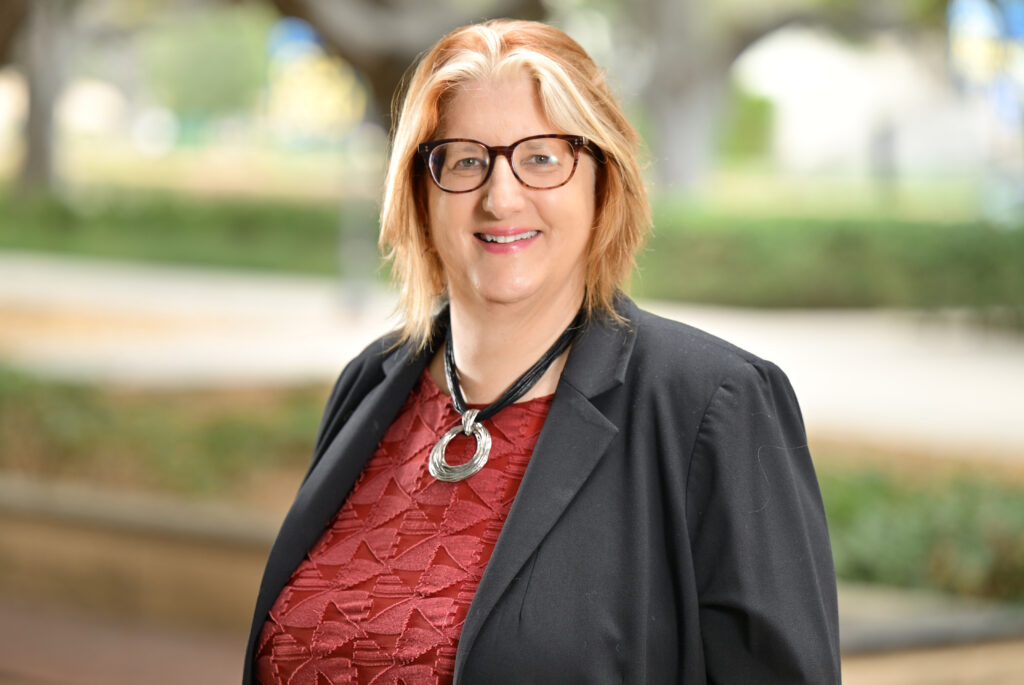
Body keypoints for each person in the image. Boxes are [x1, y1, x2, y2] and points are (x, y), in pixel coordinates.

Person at [244, 18, 840, 685]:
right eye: (466, 160)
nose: (500, 197)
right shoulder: (371, 384)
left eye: (542, 158)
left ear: (602, 182)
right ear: (420, 191)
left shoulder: (713, 405)